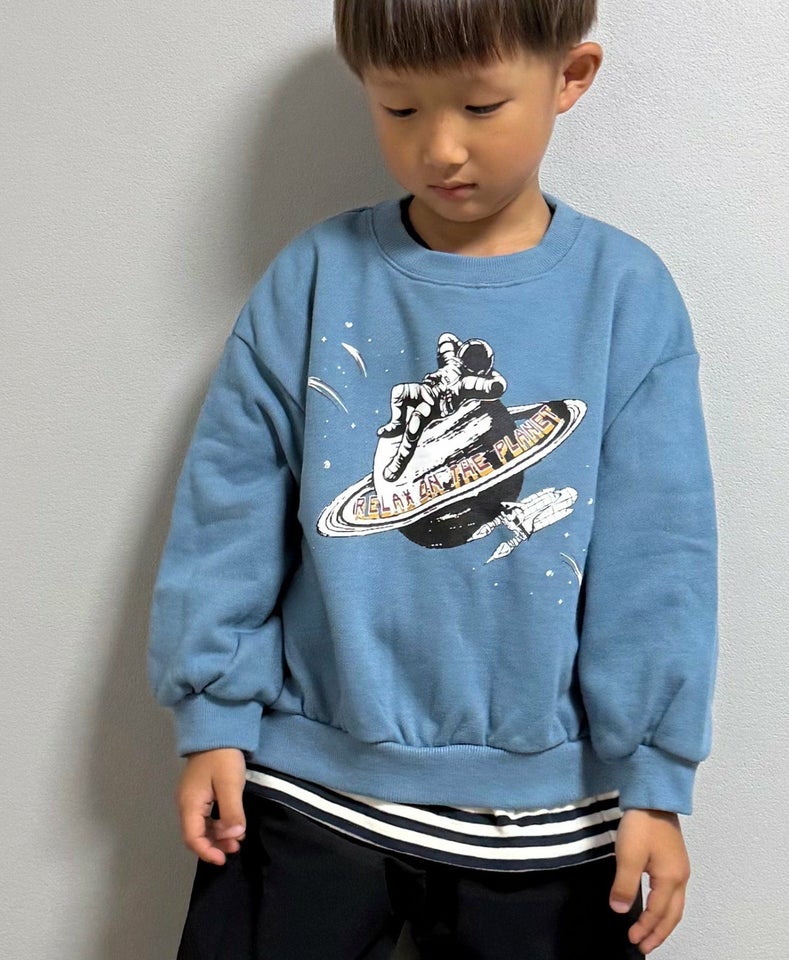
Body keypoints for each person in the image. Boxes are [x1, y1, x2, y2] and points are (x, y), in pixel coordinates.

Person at [147, 1, 719, 957]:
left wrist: (656, 783)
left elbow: (660, 556)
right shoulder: (313, 277)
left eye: (481, 106)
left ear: (570, 77)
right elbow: (229, 507)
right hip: (306, 787)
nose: (440, 149)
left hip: (547, 817)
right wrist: (212, 713)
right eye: (400, 109)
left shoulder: (626, 297)